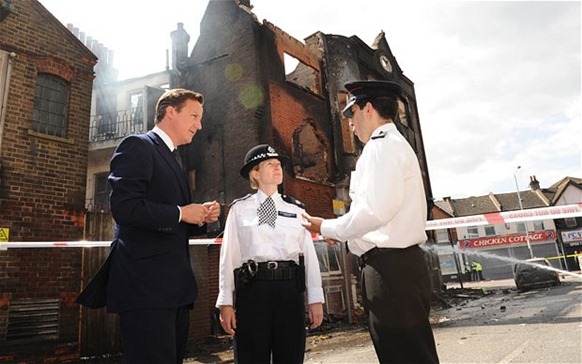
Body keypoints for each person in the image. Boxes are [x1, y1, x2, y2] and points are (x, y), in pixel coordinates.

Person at [302, 80, 440, 363]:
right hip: (398, 268)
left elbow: (374, 211)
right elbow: (376, 212)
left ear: (367, 109)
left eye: (351, 114)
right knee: (412, 354)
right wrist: (346, 234)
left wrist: (326, 227)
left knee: (403, 355)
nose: (350, 124)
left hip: (390, 271)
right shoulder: (392, 145)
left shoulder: (381, 148)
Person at [106, 88, 220, 364]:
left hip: (173, 291)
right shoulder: (138, 146)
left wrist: (200, 217)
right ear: (171, 112)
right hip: (146, 290)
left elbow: (170, 221)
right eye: (194, 115)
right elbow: (124, 208)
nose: (199, 125)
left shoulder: (174, 159)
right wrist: (182, 213)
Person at [216, 144, 324, 364]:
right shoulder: (239, 210)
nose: (278, 168)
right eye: (270, 164)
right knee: (251, 358)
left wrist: (315, 298)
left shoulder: (296, 210)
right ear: (255, 173)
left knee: (290, 357)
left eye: (279, 164)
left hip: (289, 292)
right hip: (253, 292)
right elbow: (229, 258)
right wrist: (225, 301)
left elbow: (309, 256)